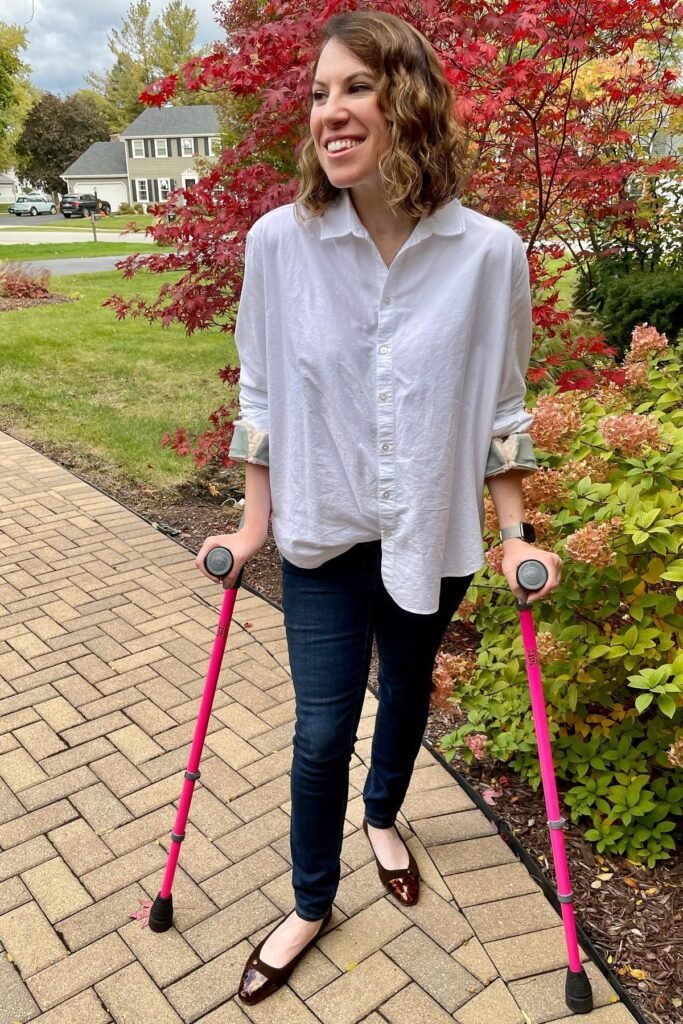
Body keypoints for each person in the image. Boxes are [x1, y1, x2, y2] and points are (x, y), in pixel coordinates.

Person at [196, 9, 562, 1007]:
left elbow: (501, 409)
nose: (330, 112)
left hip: (429, 534)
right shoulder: (281, 243)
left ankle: (385, 816)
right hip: (319, 530)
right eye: (318, 94)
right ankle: (311, 902)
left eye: (354, 87)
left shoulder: (486, 256)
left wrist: (514, 531)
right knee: (319, 730)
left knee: (405, 696)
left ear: (409, 100)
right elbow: (261, 395)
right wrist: (251, 523)